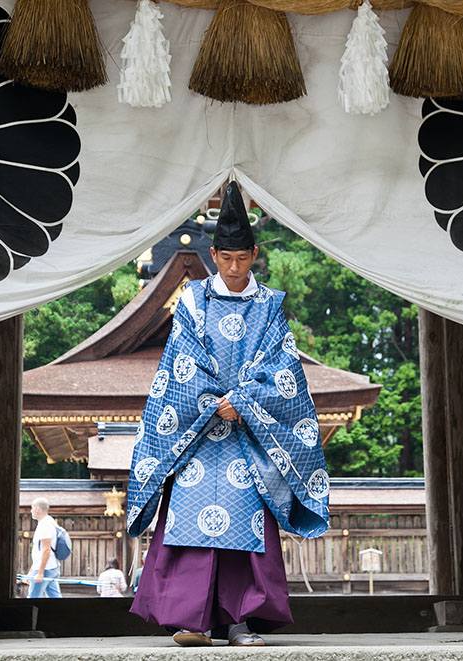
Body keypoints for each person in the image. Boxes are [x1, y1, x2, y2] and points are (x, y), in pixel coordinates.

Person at [127, 181, 330, 647]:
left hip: (248, 434)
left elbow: (282, 366)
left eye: (243, 259)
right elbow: (180, 360)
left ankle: (239, 623)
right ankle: (191, 622)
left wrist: (247, 401)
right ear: (214, 255)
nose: (235, 268)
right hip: (198, 435)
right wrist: (211, 400)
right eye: (226, 259)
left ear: (254, 254)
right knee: (190, 522)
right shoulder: (193, 300)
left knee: (244, 522)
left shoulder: (270, 305)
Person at [27, 497, 62, 598]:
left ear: (38, 509)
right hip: (52, 566)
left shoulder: (45, 526)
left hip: (45, 568)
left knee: (33, 598)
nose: (31, 510)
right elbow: (40, 550)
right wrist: (31, 570)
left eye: (32, 508)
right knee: (55, 597)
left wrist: (40, 572)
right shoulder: (49, 522)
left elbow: (46, 550)